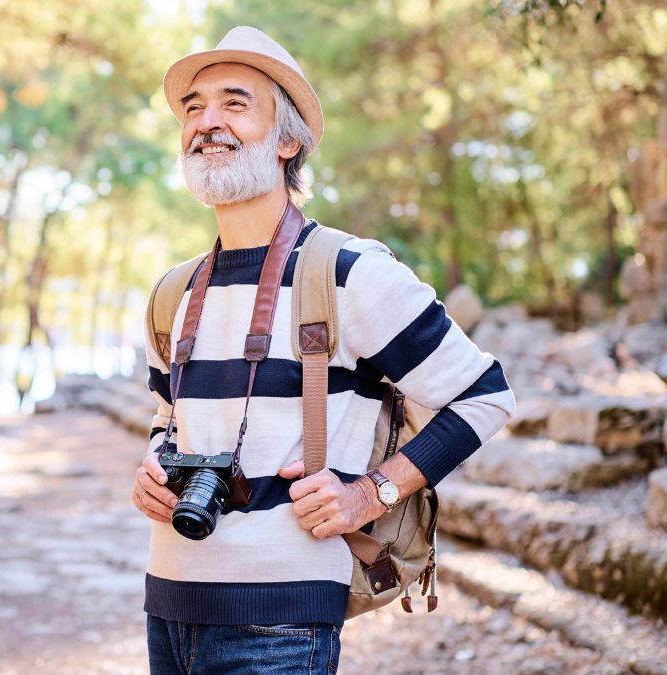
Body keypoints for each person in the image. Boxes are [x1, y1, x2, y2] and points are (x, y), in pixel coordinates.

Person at [130, 26, 516, 673]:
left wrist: (373, 493)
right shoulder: (175, 291)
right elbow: (168, 418)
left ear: (288, 141)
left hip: (283, 620)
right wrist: (152, 467)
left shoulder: (349, 272)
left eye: (234, 102)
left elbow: (483, 395)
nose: (206, 121)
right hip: (167, 602)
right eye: (193, 107)